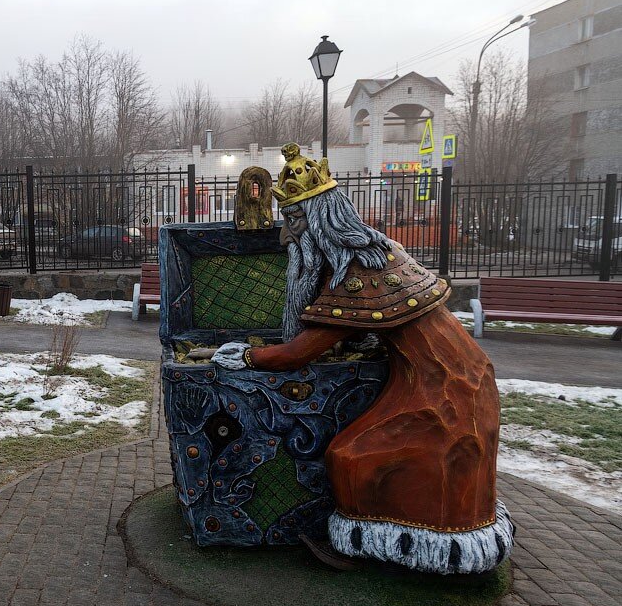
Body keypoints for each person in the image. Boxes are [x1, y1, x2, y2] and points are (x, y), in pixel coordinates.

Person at [210, 143, 513, 575]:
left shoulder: (357, 273)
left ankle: (372, 549)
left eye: (293, 221)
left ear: (317, 221)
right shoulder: (383, 251)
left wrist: (247, 356)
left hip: (442, 388)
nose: (286, 235)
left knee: (351, 457)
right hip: (464, 375)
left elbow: (300, 353)